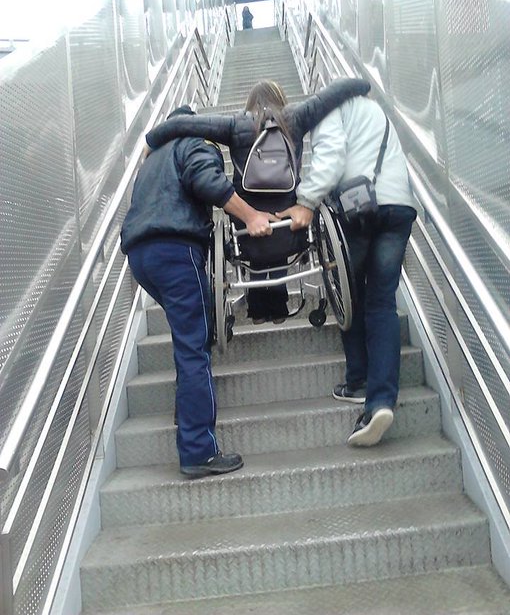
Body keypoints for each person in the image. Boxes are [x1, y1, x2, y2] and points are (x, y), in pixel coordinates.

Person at [121, 105, 277, 478]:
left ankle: (187, 409)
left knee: (191, 331)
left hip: (141, 257)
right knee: (195, 344)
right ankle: (198, 451)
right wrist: (251, 215)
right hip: (176, 250)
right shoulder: (193, 144)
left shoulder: (151, 160)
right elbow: (208, 182)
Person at [144, 78, 371, 324]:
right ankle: (278, 306)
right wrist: (364, 86)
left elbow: (183, 124)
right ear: (281, 99)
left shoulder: (235, 125)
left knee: (255, 235)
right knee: (281, 223)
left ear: (250, 103)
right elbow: (333, 93)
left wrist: (151, 140)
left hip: (247, 224)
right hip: (289, 223)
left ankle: (258, 308)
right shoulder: (295, 117)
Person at [277, 94, 417, 447]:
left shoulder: (328, 111)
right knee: (382, 302)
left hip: (359, 208)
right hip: (398, 206)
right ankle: (381, 402)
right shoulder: (375, 110)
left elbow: (331, 158)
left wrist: (305, 201)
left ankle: (358, 381)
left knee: (348, 294)